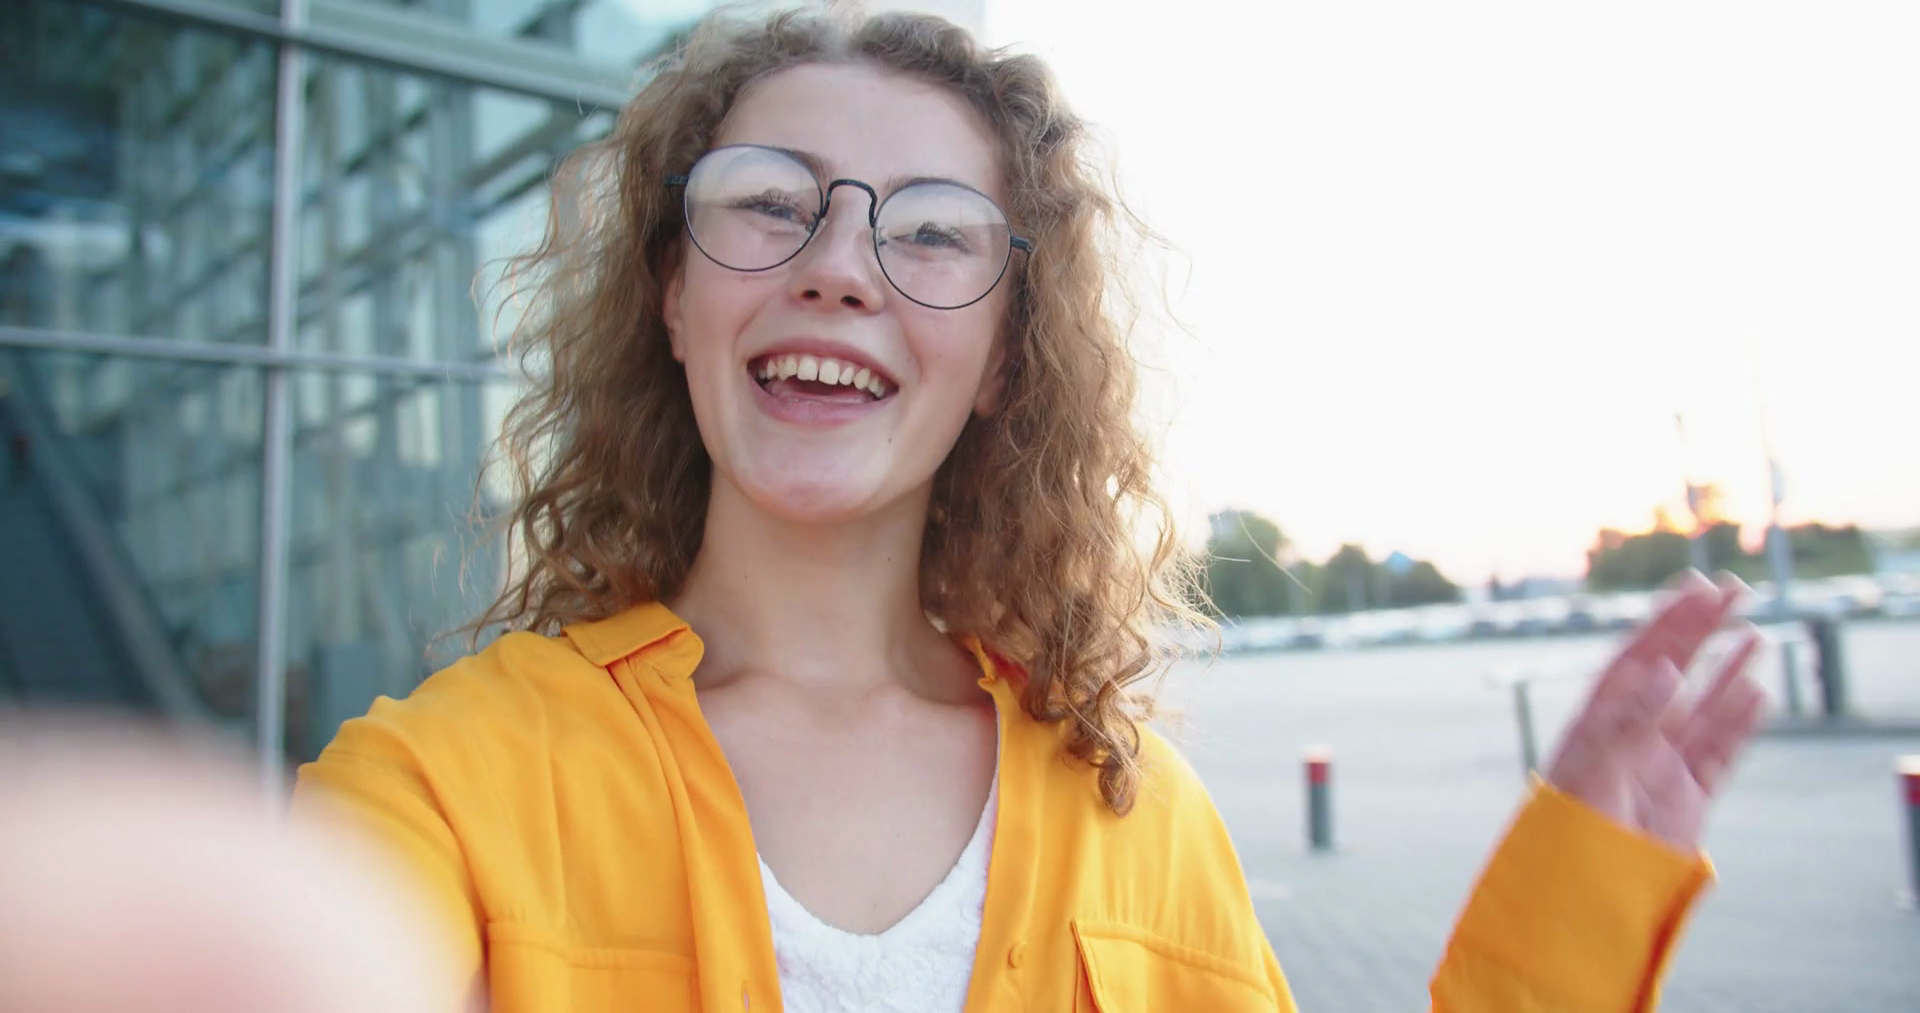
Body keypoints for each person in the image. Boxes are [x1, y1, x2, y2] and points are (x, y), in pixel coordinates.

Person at [0, 7, 1767, 1013]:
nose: (840, 266)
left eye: (929, 232)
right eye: (768, 203)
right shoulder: (438, 788)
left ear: (1002, 359)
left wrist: (1563, 928)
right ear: (672, 298)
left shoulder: (1138, 817)